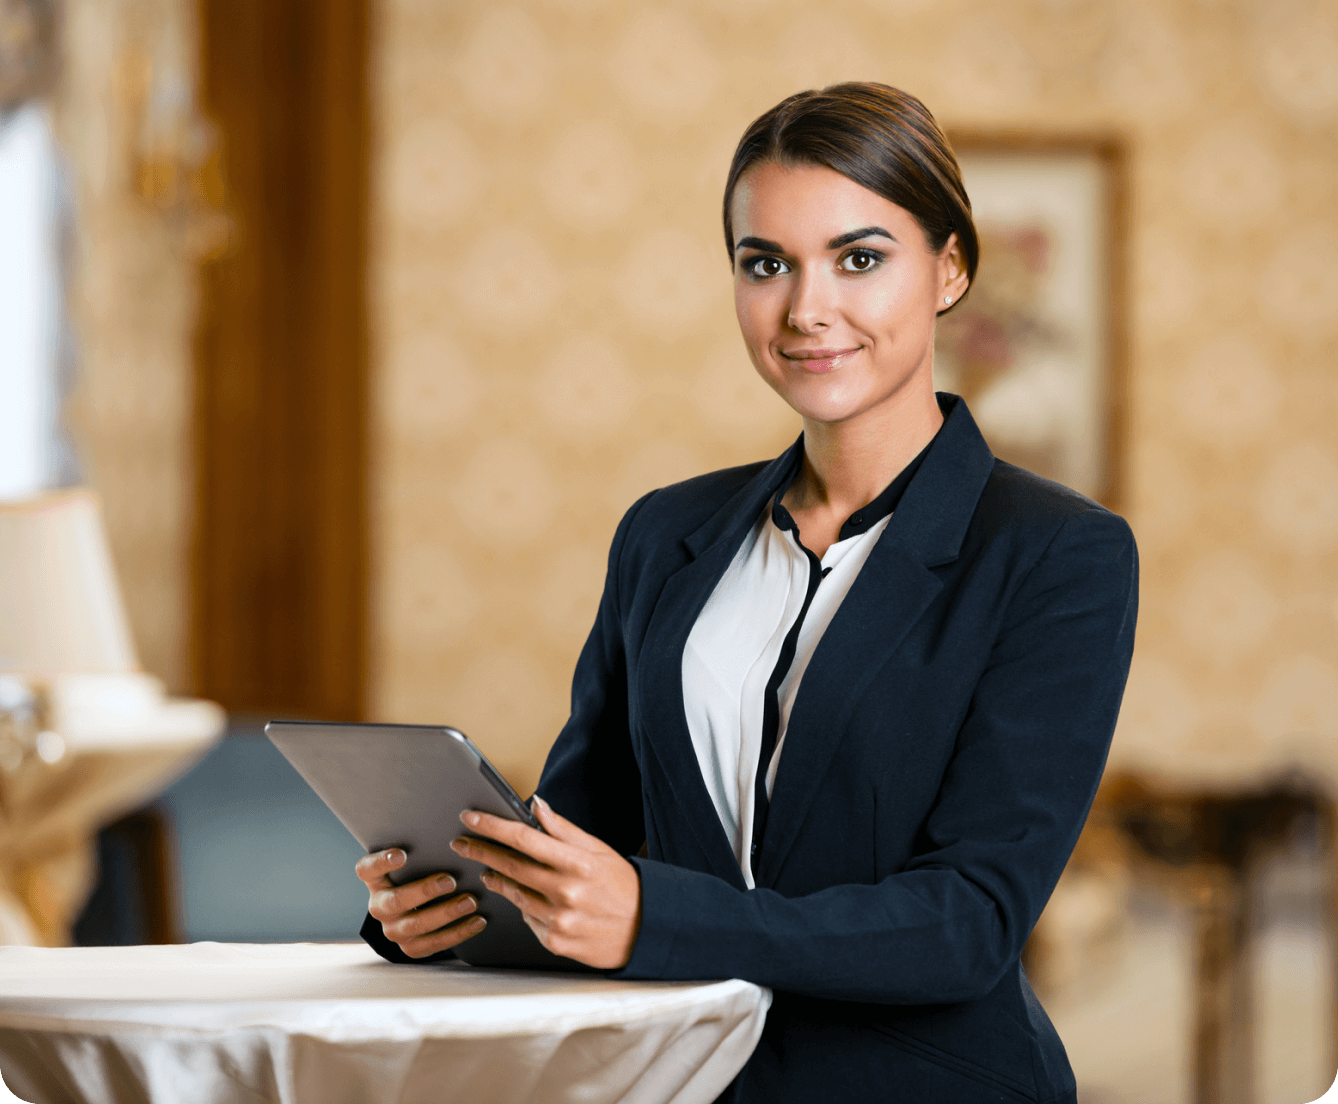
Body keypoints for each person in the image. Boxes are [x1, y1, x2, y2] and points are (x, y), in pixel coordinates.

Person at [356, 82, 1138, 1104]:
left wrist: (654, 918)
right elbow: (586, 832)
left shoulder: (1057, 555)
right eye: (765, 264)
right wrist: (443, 909)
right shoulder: (664, 534)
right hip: (678, 1081)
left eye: (860, 259)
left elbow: (968, 922)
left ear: (950, 269)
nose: (806, 309)